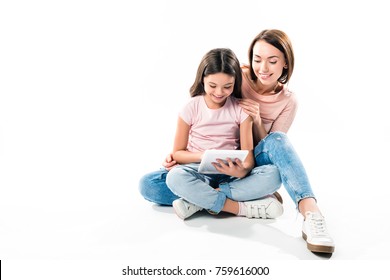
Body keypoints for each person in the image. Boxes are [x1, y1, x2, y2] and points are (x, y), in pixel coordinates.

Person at [139, 29, 335, 254]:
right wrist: (180, 157)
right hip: (207, 167)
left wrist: (257, 122)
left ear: (285, 64)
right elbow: (193, 126)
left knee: (276, 160)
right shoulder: (235, 76)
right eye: (257, 59)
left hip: (247, 162)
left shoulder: (287, 101)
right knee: (150, 185)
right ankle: (235, 199)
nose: (263, 68)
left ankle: (310, 212)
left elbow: (273, 147)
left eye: (272, 61)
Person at [165, 48, 284, 221]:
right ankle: (239, 207)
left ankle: (199, 201)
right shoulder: (191, 107)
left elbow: (248, 159)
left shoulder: (241, 110)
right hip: (197, 171)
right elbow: (178, 153)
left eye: (227, 87)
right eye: (212, 86)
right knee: (167, 179)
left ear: (235, 83)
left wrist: (241, 172)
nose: (219, 93)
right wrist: (203, 156)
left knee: (274, 175)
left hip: (231, 175)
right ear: (202, 79)